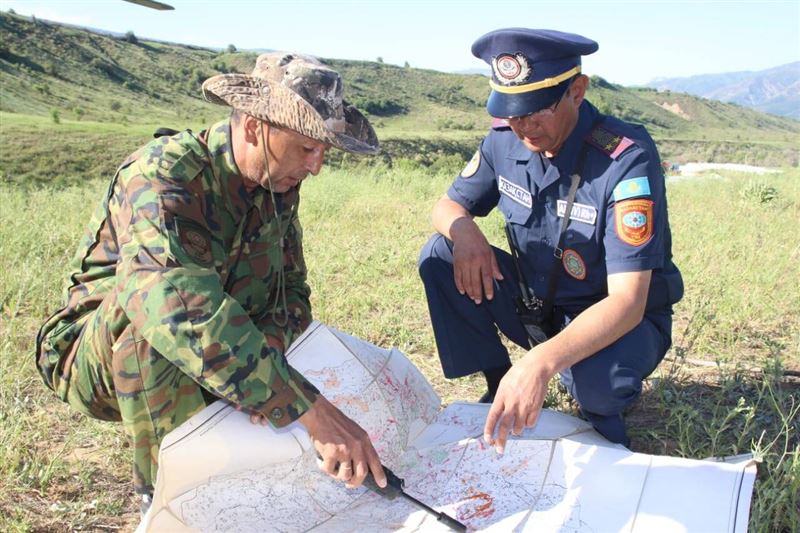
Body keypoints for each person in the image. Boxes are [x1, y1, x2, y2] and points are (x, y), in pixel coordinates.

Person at [35, 52, 388, 505]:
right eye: (307, 148)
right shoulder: (166, 173)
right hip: (97, 355)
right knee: (153, 314)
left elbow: (292, 292)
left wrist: (272, 349)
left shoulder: (277, 185)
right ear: (255, 127)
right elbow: (177, 307)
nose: (316, 166)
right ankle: (174, 502)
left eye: (325, 151)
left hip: (204, 356)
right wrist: (305, 406)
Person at [418, 29, 683, 452]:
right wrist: (464, 229)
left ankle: (599, 408)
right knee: (440, 254)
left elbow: (628, 301)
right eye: (513, 112)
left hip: (616, 321)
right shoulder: (504, 142)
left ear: (577, 91)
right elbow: (446, 207)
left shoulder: (624, 158)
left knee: (598, 385)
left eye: (537, 111)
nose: (525, 126)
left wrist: (539, 363)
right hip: (538, 308)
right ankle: (497, 378)